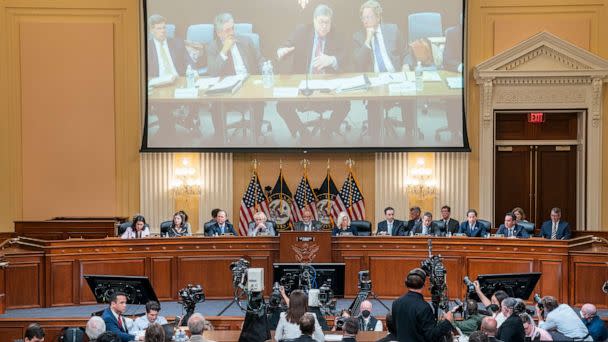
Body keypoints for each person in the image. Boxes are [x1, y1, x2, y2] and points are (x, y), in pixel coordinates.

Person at [275, 4, 349, 141]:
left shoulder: (337, 35)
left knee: (345, 104)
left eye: (328, 22)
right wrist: (281, 51)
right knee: (281, 106)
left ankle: (328, 130)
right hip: (305, 86)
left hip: (327, 87)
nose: (324, 26)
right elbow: (286, 45)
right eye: (321, 22)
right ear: (314, 20)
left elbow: (346, 58)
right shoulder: (301, 31)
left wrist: (332, 60)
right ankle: (302, 131)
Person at [351, 0, 407, 140]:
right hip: (375, 81)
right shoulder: (358, 36)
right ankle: (374, 136)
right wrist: (368, 40)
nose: (365, 21)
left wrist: (406, 65)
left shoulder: (393, 30)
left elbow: (406, 52)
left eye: (368, 17)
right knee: (374, 99)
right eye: (363, 17)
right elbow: (358, 63)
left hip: (395, 76)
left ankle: (410, 131)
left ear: (378, 17)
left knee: (410, 95)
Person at [206, 12, 265, 142]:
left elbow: (260, 59)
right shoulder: (213, 47)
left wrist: (264, 70)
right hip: (228, 89)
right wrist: (224, 51)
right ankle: (221, 138)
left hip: (249, 83)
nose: (232, 32)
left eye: (233, 28)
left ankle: (256, 135)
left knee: (259, 100)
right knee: (215, 105)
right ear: (219, 33)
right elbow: (213, 72)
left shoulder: (245, 40)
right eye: (227, 30)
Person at [392, 268, 454, 341]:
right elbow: (431, 336)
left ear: (406, 283)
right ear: (423, 285)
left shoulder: (396, 303)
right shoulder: (424, 307)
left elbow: (396, 329)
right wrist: (447, 322)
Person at [147, 14, 184, 80]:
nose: (163, 31)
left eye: (164, 27)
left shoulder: (177, 43)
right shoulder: (148, 48)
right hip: (158, 82)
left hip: (178, 79)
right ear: (152, 31)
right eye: (159, 28)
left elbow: (189, 62)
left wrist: (194, 72)